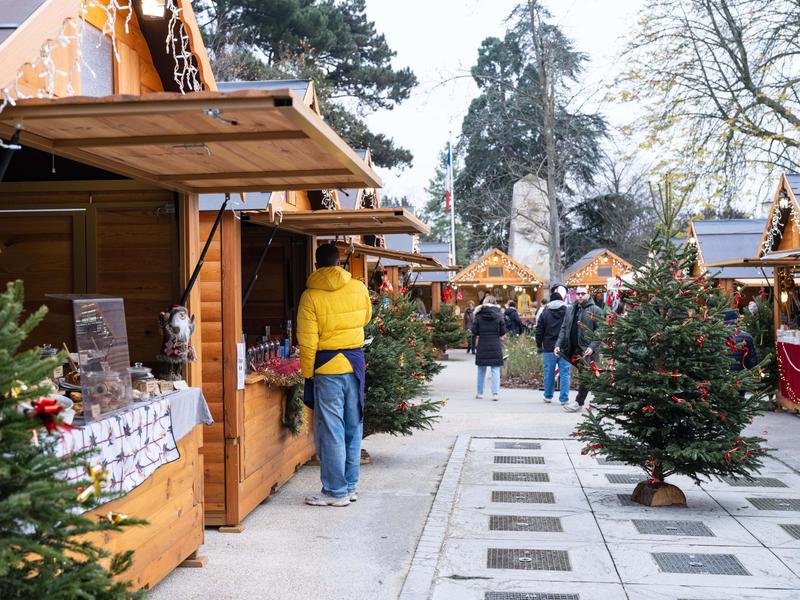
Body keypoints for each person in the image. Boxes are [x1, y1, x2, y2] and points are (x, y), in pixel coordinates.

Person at [298, 243, 372, 507]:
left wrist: (308, 375)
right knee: (354, 428)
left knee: (332, 431)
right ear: (340, 263)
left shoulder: (310, 296)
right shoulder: (358, 287)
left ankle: (335, 491)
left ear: (316, 265)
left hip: (326, 369)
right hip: (354, 365)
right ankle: (350, 486)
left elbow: (307, 342)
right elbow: (365, 318)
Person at [555, 286, 602, 412]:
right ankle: (604, 397)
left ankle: (578, 402)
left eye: (583, 293)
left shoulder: (595, 310)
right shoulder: (571, 309)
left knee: (586, 375)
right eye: (578, 293)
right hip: (573, 348)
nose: (580, 296)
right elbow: (564, 328)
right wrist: (558, 344)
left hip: (587, 350)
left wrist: (592, 347)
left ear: (588, 295)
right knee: (592, 375)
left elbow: (600, 331)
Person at [535, 291, 571, 406]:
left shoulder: (545, 313)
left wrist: (539, 345)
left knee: (549, 372)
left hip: (549, 347)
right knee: (565, 373)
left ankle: (548, 396)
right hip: (565, 347)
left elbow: (539, 331)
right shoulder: (568, 312)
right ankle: (564, 398)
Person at [471, 294, 506, 401]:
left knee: (481, 369)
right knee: (495, 369)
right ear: (495, 303)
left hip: (482, 344)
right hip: (495, 344)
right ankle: (495, 394)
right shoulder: (499, 316)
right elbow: (502, 332)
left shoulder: (478, 316)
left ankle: (480, 393)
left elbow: (474, 331)